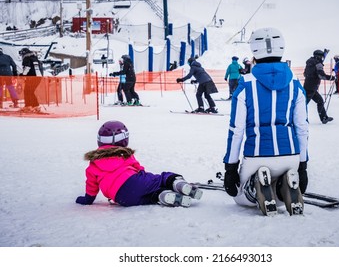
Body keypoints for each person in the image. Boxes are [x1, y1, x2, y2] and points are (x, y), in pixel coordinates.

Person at [223, 27, 309, 216]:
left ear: (254, 50)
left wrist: (230, 168)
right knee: (278, 200)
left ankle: (256, 187)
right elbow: (302, 127)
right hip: (291, 154)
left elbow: (236, 130)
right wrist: (303, 165)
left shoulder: (245, 84)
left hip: (257, 155)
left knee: (240, 198)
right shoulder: (295, 83)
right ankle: (283, 186)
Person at [75, 120, 203, 207]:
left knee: (149, 197)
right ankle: (177, 183)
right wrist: (144, 177)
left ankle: (161, 196)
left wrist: (87, 200)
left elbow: (91, 186)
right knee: (161, 178)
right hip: (134, 180)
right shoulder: (124, 154)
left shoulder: (93, 163)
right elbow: (137, 168)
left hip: (121, 197)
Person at [303, 49, 336, 124]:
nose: (322, 58)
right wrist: (332, 78)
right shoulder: (317, 63)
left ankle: (324, 118)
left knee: (320, 101)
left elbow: (305, 74)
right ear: (318, 56)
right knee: (303, 105)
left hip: (309, 86)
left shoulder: (309, 63)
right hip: (311, 87)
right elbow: (321, 75)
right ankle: (302, 120)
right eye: (321, 57)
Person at [19, 48, 43, 113]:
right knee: (30, 91)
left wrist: (22, 75)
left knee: (27, 91)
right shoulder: (35, 58)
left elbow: (27, 67)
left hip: (31, 77)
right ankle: (35, 106)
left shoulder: (26, 58)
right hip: (38, 77)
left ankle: (29, 106)